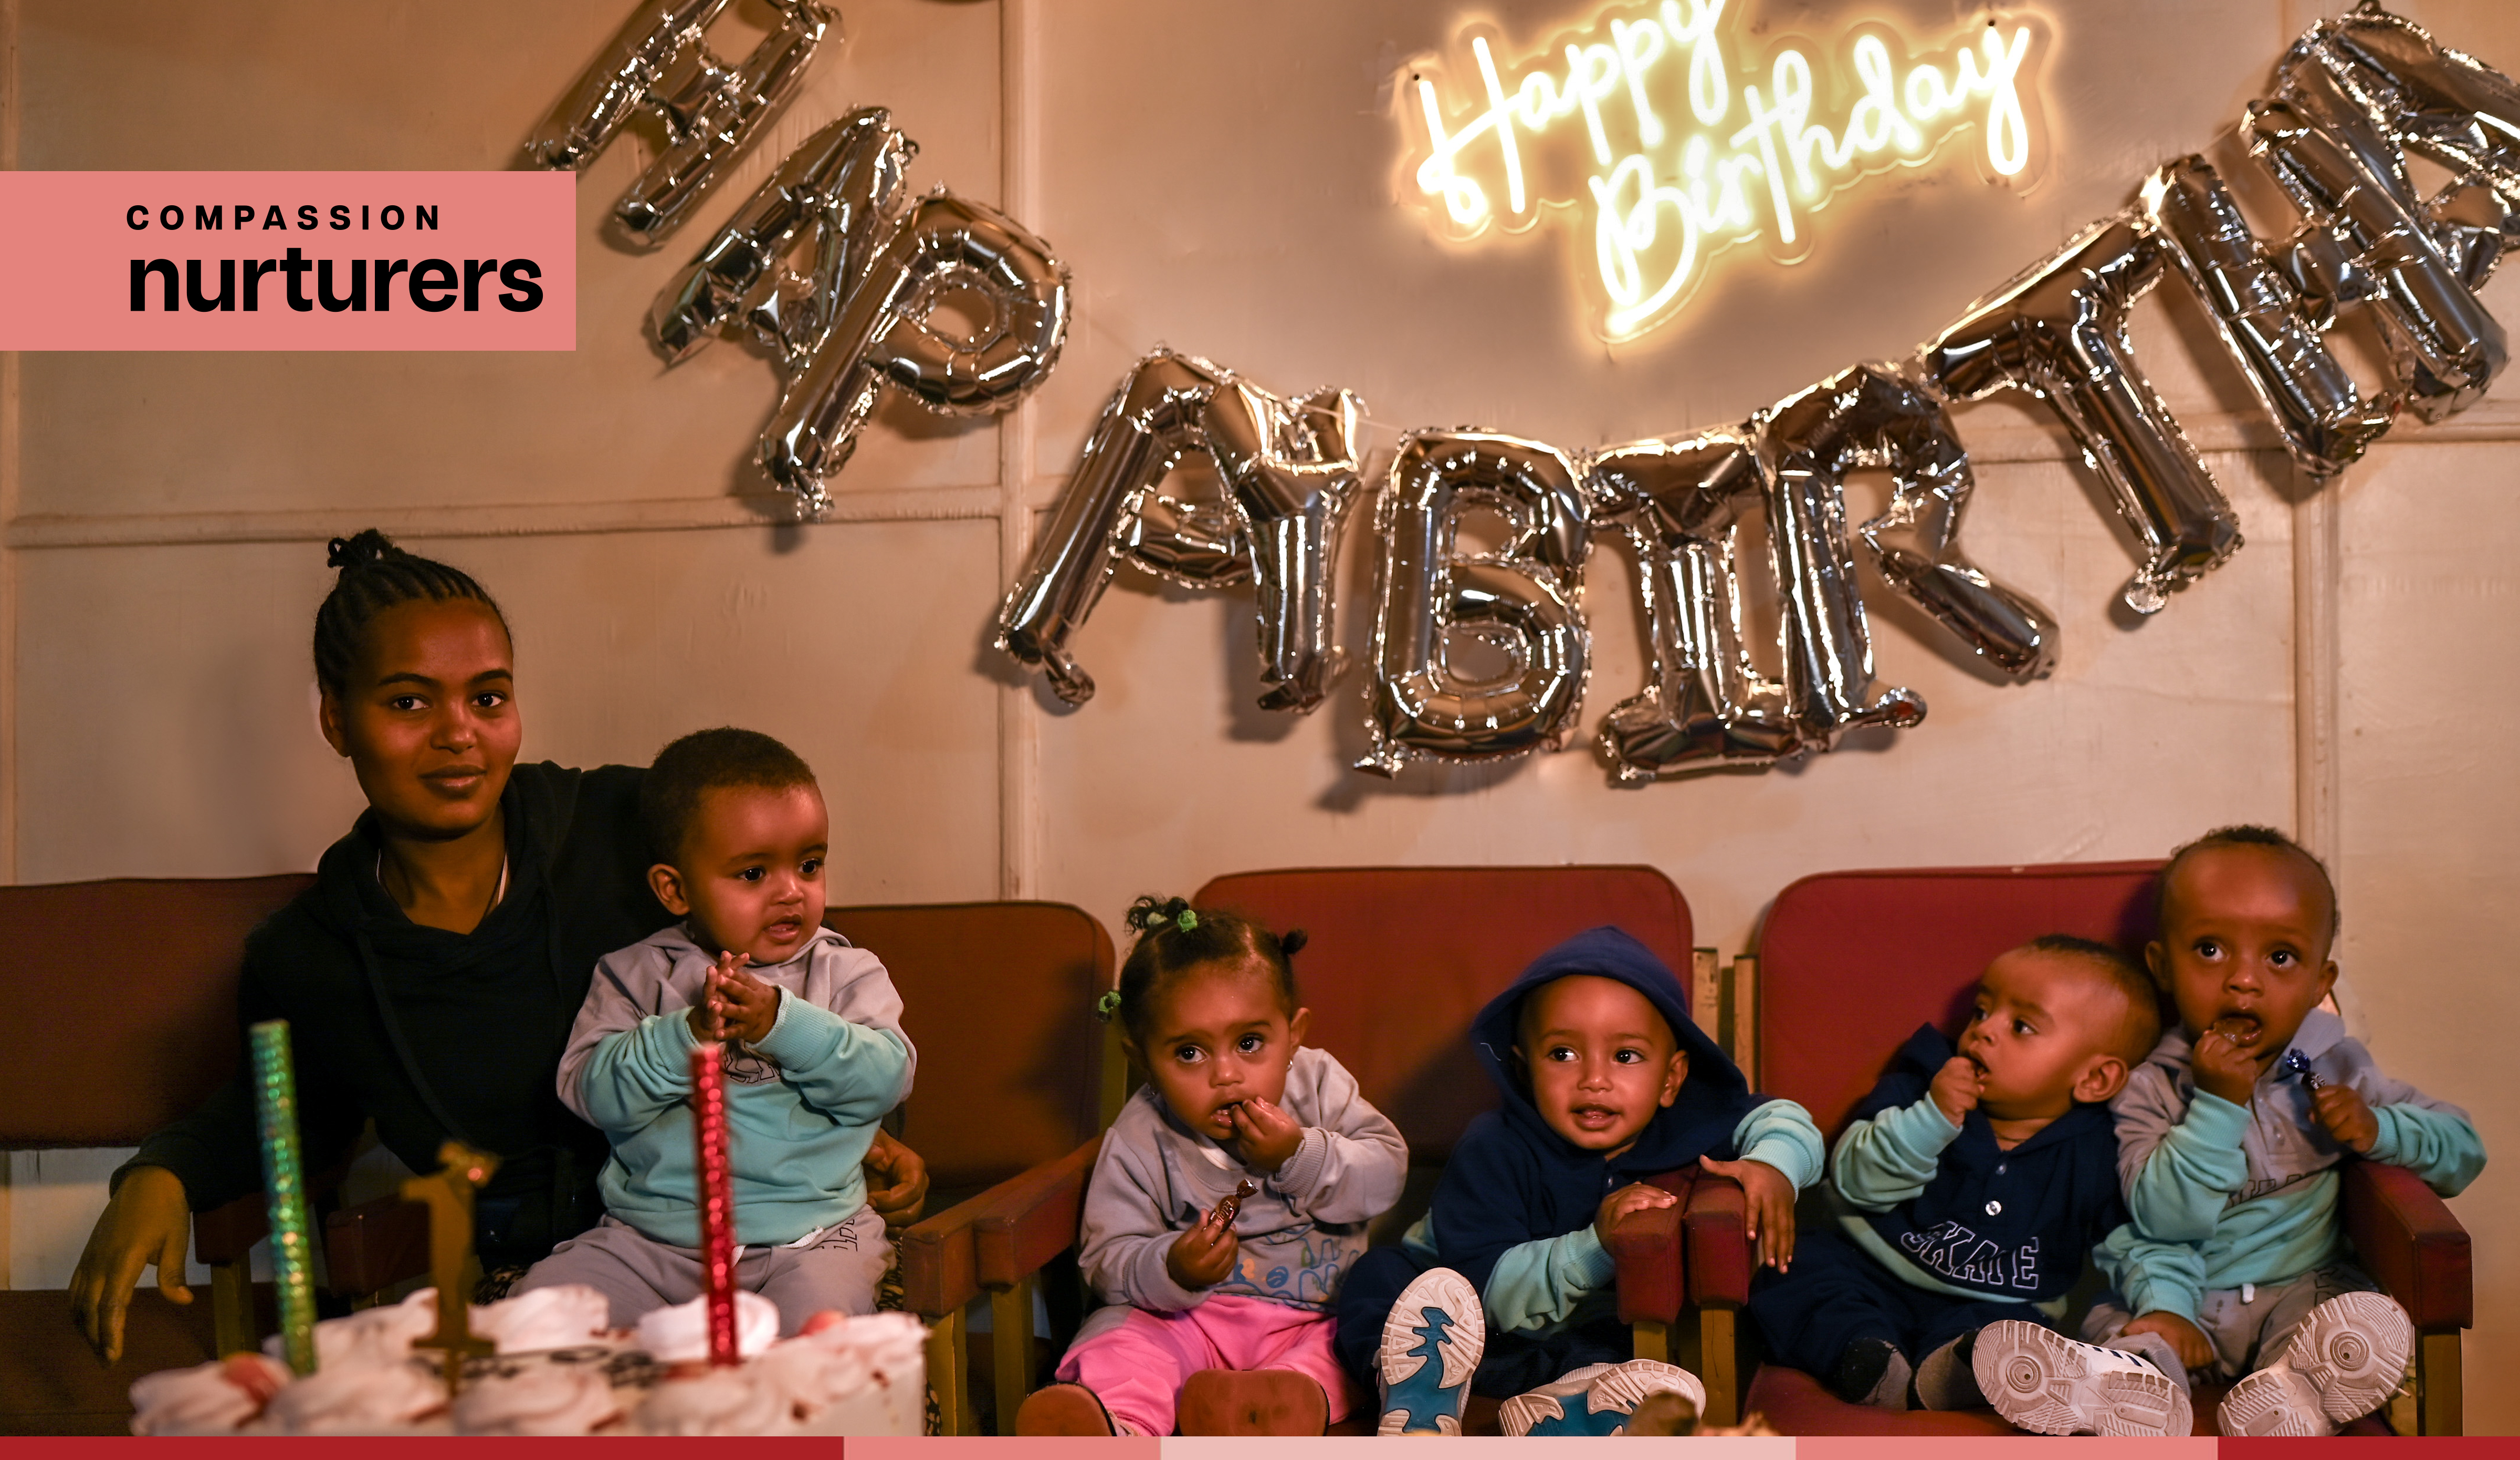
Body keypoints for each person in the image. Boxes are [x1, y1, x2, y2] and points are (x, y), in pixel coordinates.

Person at [67, 531, 927, 1364]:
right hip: (571, 1271)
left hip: (782, 1245)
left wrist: (863, 1131)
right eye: (409, 702)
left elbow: (806, 955)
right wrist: (163, 1174)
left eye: (487, 697)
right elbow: (289, 1107)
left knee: (820, 1392)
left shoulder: (629, 828)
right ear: (335, 718)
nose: (458, 734)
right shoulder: (315, 955)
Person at [1977, 826, 2485, 1437]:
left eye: (2280, 958)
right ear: (2164, 967)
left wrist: (2381, 1129)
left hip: (2298, 1289)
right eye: (2212, 951)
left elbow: (2464, 1153)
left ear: (2319, 984)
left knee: (2345, 1318)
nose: (2244, 980)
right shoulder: (2145, 1086)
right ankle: (2120, 1394)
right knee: (2122, 1323)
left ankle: (2292, 1397)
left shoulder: (2339, 1068)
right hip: (2176, 1298)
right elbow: (2165, 1219)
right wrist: (2218, 1105)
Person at [1335, 926, 1824, 1436]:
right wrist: (1595, 1248)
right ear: (1524, 1071)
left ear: (1672, 1079)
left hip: (1571, 1342)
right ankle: (1414, 1397)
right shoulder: (1495, 1147)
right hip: (1461, 1318)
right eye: (1563, 1055)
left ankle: (1561, 1415)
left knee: (1625, 1356)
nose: (1595, 1078)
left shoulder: (1691, 1126)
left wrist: (1775, 1167)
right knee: (1377, 1277)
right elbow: (1489, 1293)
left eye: (1626, 1056)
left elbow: (1784, 1119)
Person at [517, 728, 914, 1332]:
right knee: (539, 1316)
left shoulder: (846, 971)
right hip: (649, 1242)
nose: (791, 891)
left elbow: (885, 1079)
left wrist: (783, 1023)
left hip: (809, 1239)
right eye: (754, 873)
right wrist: (689, 1033)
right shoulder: (635, 975)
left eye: (810, 864)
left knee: (815, 1332)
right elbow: (591, 1093)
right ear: (675, 889)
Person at [1016, 897, 1408, 1437]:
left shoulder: (1317, 1086)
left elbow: (1385, 1173)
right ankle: (1116, 1428)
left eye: (1250, 1043)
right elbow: (1108, 1260)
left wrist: (1300, 1156)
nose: (1226, 1075)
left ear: (1294, 1034)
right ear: (1143, 1059)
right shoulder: (1141, 1133)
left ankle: (1269, 1410)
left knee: (1361, 1344)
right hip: (1185, 1322)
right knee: (1116, 1338)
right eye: (1189, 1054)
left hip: (1312, 1319)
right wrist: (1172, 1267)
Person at [1745, 936, 2162, 1420]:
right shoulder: (1921, 1082)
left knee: (2013, 1336)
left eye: (2021, 1025)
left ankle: (1955, 1371)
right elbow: (1856, 1180)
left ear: (2094, 1079)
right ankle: (1863, 1360)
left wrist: (2162, 1306)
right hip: (1868, 1267)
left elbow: (2133, 1242)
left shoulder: (2098, 1149)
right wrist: (1935, 1116)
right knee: (1797, 1271)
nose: (1984, 1031)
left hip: (1993, 1304)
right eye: (1982, 1010)